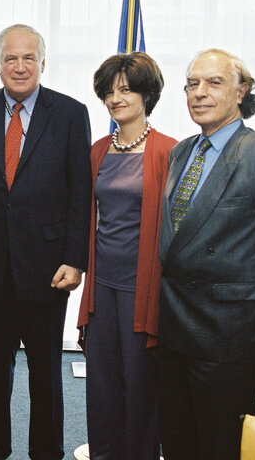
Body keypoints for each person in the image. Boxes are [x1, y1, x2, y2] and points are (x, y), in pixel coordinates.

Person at [0, 24, 92, 460]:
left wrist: (76, 259)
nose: (19, 66)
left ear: (43, 64)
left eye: (28, 57)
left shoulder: (70, 113)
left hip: (49, 267)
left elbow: (79, 192)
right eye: (10, 58)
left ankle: (46, 450)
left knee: (46, 368)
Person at [158, 48, 255, 460]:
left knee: (221, 444)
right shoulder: (180, 152)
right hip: (174, 325)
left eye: (214, 82)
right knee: (177, 440)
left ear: (242, 91)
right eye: (192, 84)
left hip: (230, 333)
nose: (199, 93)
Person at [76, 52, 176, 460]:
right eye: (109, 91)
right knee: (101, 386)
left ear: (146, 94)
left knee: (140, 388)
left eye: (126, 89)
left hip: (143, 289)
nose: (116, 98)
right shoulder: (98, 150)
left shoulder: (170, 151)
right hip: (102, 287)